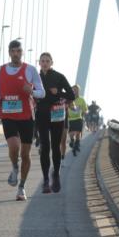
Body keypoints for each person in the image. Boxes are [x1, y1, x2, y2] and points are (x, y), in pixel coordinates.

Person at [0, 39, 45, 201]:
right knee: (14, 146)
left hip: (26, 116)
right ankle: (15, 167)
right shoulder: (0, 70)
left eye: (18, 51)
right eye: (13, 51)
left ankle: (21, 187)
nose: (16, 54)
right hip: (8, 114)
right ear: (9, 52)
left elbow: (42, 92)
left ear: (21, 52)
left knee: (25, 153)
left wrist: (32, 92)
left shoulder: (30, 70)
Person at [35, 52, 76, 194]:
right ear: (39, 63)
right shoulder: (36, 77)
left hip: (57, 114)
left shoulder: (59, 76)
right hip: (42, 114)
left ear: (52, 63)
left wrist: (58, 92)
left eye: (47, 61)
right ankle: (46, 179)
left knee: (55, 146)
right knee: (45, 146)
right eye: (42, 61)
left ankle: (56, 175)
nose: (45, 63)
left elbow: (71, 95)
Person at [67, 85, 88, 156]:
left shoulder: (82, 100)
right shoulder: (69, 99)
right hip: (70, 119)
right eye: (73, 90)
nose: (75, 91)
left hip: (79, 118)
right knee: (71, 133)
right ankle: (72, 141)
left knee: (78, 133)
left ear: (79, 91)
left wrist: (85, 112)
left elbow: (85, 109)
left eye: (76, 90)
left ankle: (77, 144)